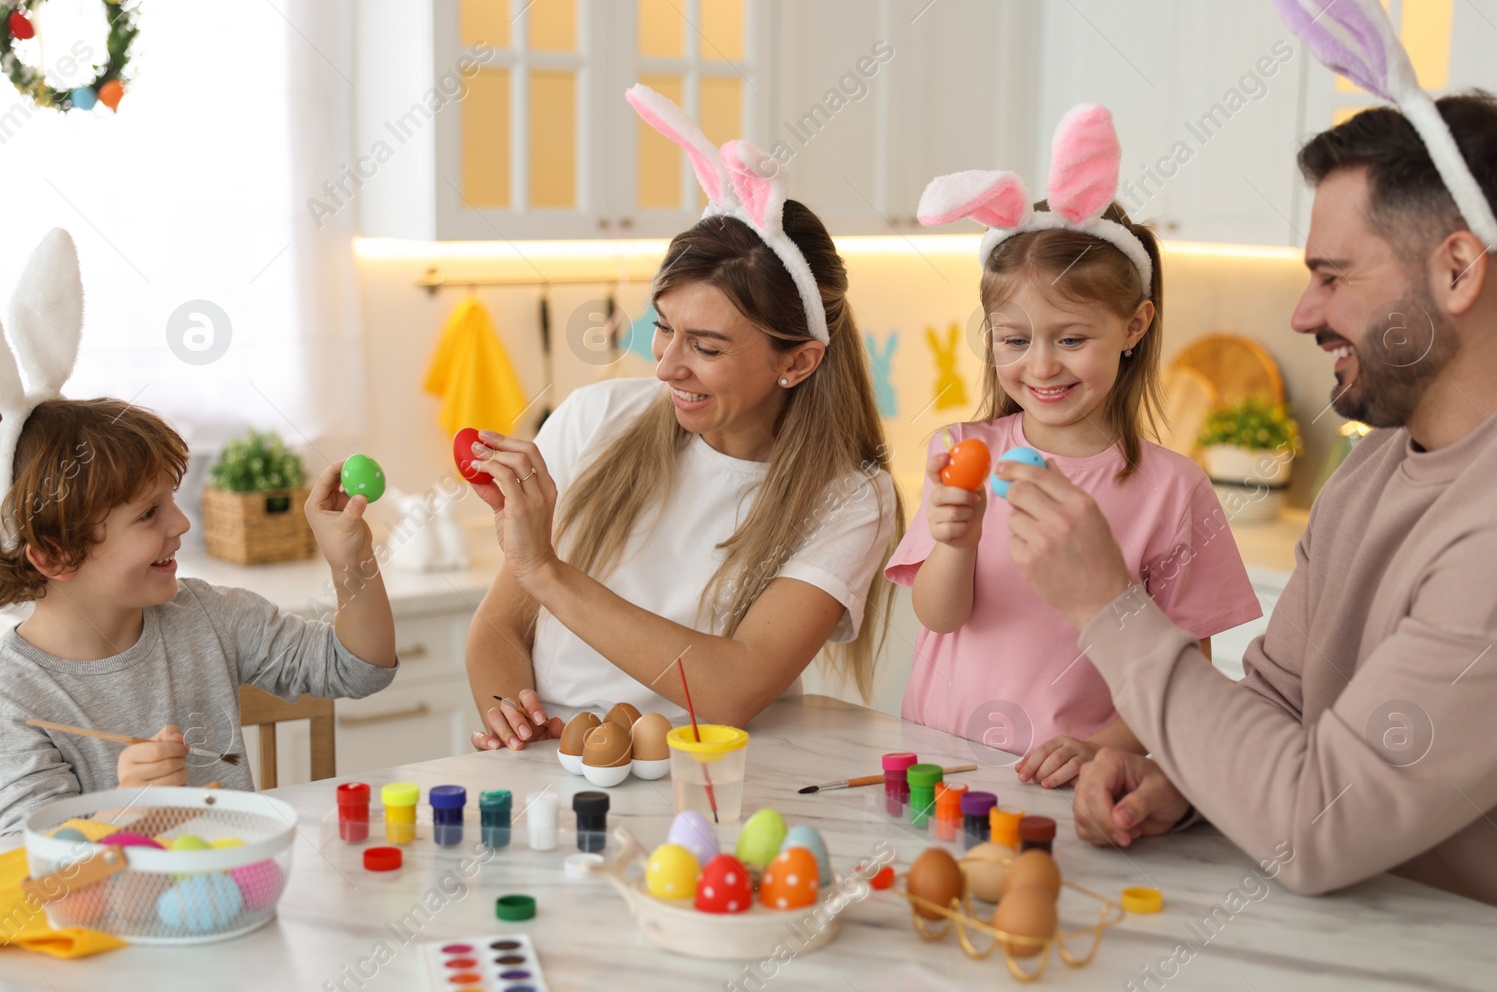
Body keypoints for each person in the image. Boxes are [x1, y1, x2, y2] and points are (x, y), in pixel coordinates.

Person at [1012, 90, 1497, 935]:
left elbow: (1319, 822)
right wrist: (1185, 782)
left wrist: (1109, 607)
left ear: (1459, 270)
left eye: (1333, 276)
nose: (1303, 312)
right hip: (1359, 950)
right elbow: (1282, 705)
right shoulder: (1379, 465)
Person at [466, 86, 903, 749]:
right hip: (561, 765)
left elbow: (732, 688)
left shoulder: (849, 497)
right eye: (664, 329)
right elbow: (499, 628)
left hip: (711, 781)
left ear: (799, 361)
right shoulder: (596, 417)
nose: (667, 365)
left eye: (707, 346)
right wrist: (512, 716)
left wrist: (546, 570)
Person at [884, 105, 1260, 786]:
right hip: (938, 764)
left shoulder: (1174, 491)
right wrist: (955, 541)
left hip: (1068, 782)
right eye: (1016, 340)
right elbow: (938, 616)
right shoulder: (962, 450)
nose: (1043, 366)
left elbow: (1187, 670)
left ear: (1134, 325)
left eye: (1073, 338)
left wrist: (1104, 748)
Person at [0, 236, 397, 836]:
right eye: (148, 514)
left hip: (241, 911)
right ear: (54, 553)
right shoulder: (15, 697)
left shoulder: (207, 617)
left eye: (171, 503)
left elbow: (359, 670)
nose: (181, 524)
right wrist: (122, 814)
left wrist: (352, 563)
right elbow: (24, 877)